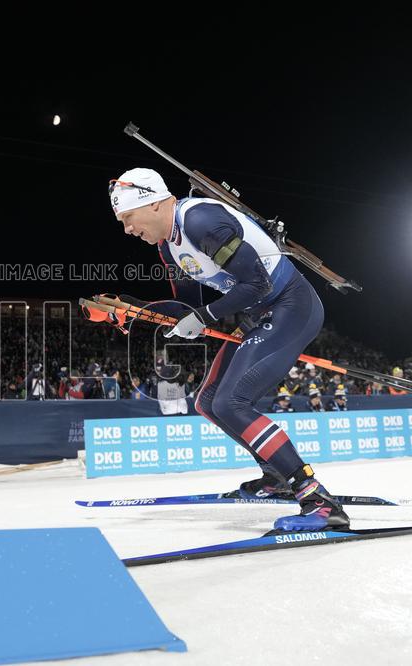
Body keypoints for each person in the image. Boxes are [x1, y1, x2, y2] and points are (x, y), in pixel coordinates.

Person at [110, 167, 347, 531]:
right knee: (208, 402)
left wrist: (205, 316)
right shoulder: (168, 248)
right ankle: (276, 474)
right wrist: (132, 310)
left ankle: (317, 499)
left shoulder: (199, 220)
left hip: (291, 305)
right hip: (260, 313)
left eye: (128, 217)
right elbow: (188, 308)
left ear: (153, 203)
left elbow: (257, 283)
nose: (127, 229)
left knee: (231, 403)